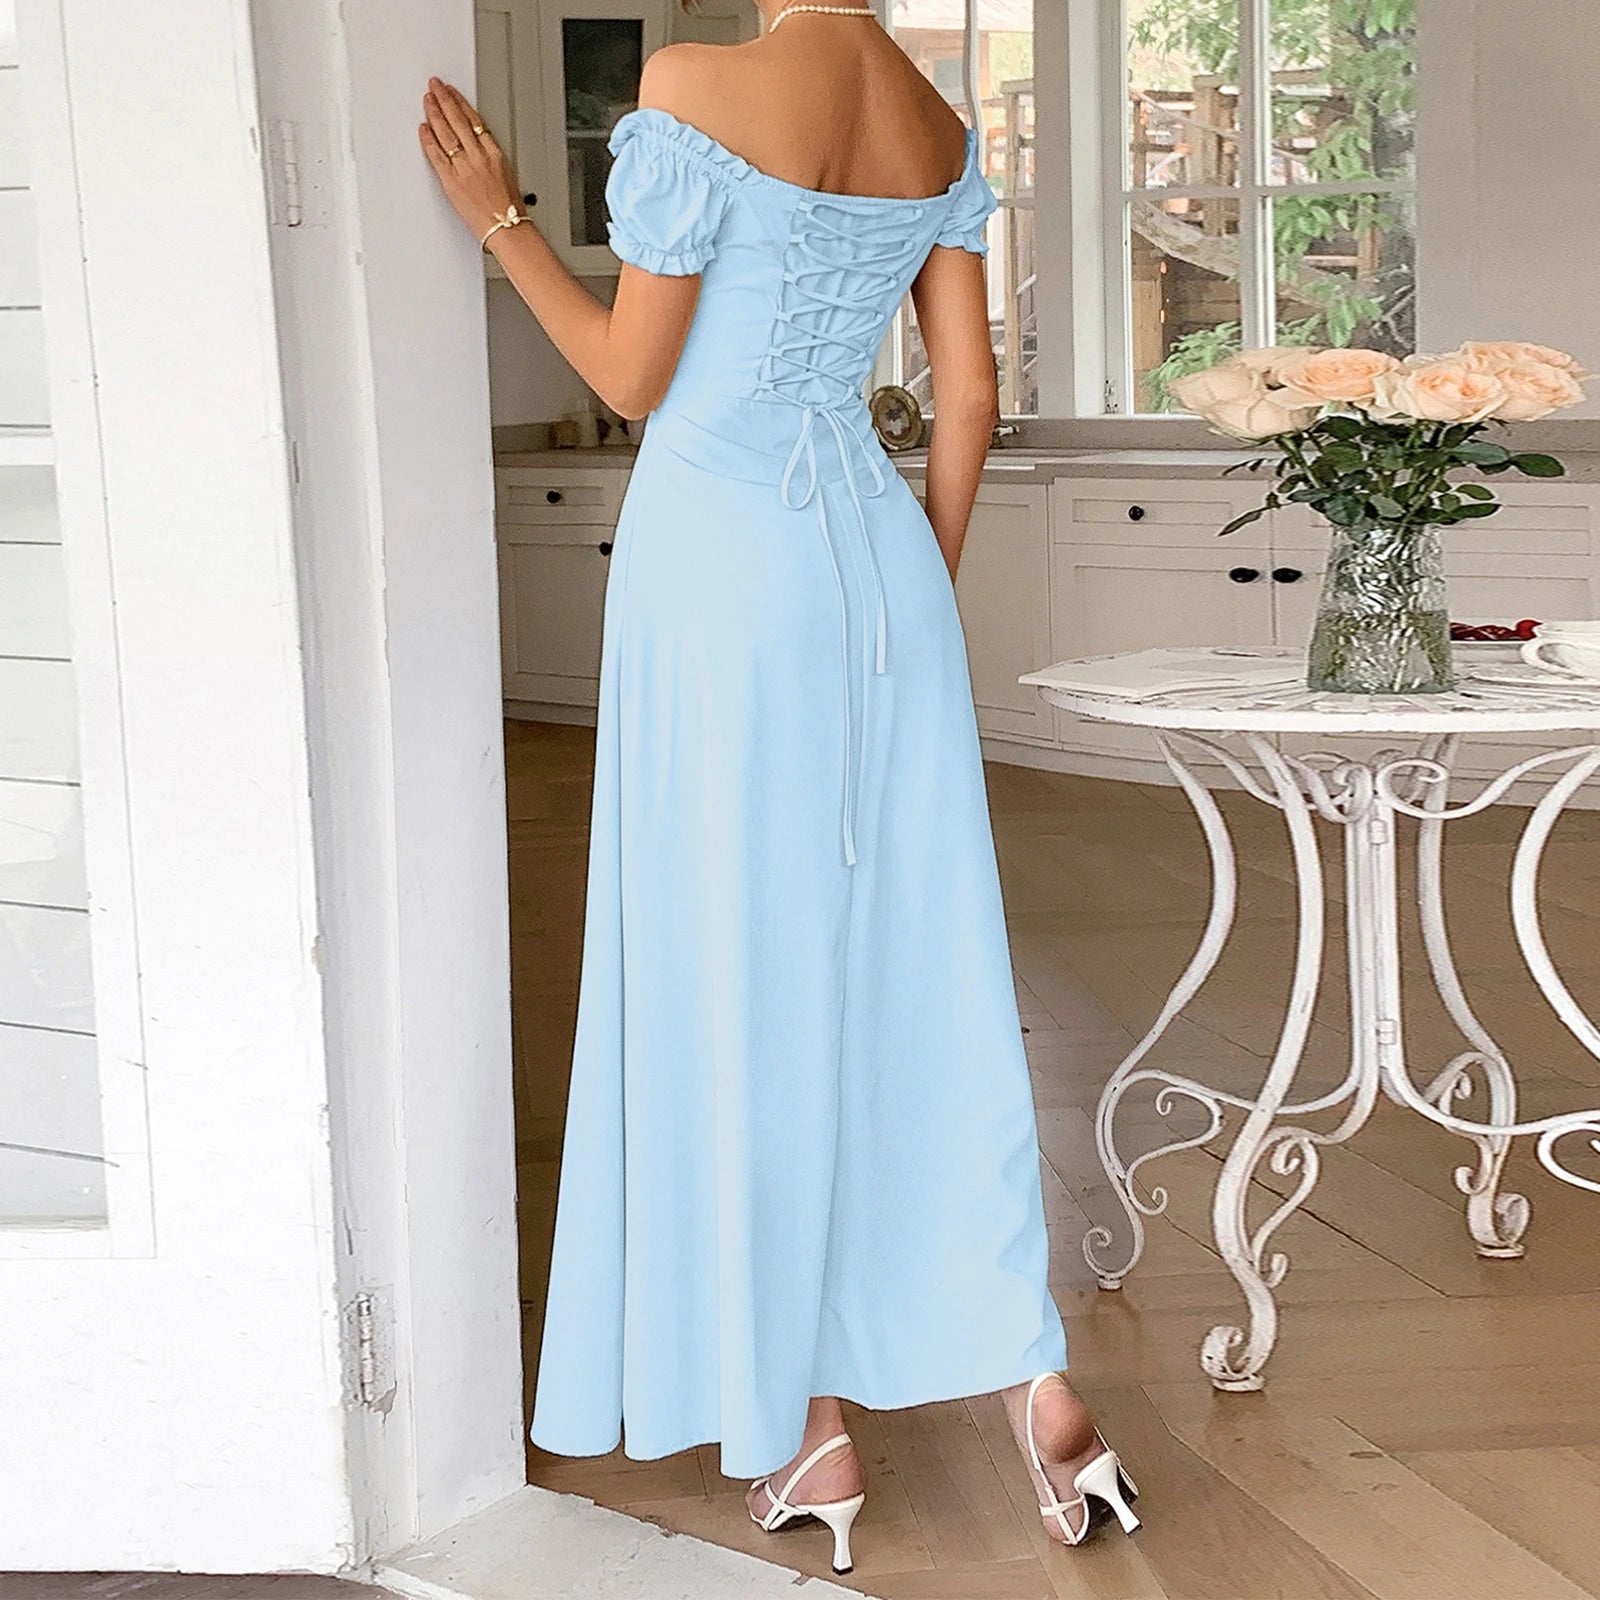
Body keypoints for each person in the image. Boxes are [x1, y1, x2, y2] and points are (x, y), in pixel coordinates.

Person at [419, 3, 1140, 1573]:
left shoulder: (693, 88)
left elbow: (632, 376)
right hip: (881, 574)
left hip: (723, 576)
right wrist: (907, 608)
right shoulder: (930, 118)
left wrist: (502, 224)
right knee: (916, 983)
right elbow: (968, 406)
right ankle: (1042, 1395)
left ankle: (809, 1424)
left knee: (740, 980)